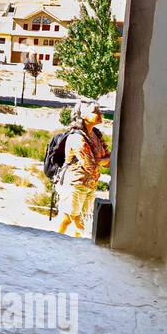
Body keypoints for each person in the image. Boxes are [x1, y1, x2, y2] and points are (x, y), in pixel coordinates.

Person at [57, 100, 110, 237]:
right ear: (83, 116)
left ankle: (76, 244)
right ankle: (54, 240)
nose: (100, 114)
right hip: (75, 184)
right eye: (95, 112)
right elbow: (90, 165)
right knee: (68, 219)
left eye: (99, 111)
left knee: (83, 220)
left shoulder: (96, 134)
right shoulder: (76, 137)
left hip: (91, 185)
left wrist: (100, 160)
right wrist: (101, 161)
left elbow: (109, 159)